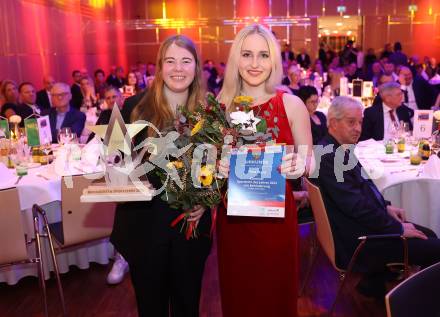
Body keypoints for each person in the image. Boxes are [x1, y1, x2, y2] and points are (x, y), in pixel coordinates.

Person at [110, 35, 211, 317]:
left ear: (196, 67)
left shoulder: (210, 110)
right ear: (160, 66)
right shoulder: (133, 107)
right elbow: (111, 159)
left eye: (185, 61)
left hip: (189, 228)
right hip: (144, 225)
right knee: (150, 307)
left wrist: (206, 199)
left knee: (187, 306)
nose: (178, 68)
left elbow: (218, 167)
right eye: (170, 61)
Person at [216, 24, 314, 317]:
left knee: (275, 296)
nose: (255, 64)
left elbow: (311, 161)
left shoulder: (291, 104)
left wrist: (300, 163)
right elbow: (202, 170)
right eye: (247, 54)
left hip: (276, 221)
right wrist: (215, 167)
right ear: (236, 59)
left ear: (274, 61)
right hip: (234, 222)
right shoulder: (219, 106)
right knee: (238, 296)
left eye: (263, 55)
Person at [313, 96, 440, 299]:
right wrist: (397, 228)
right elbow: (357, 207)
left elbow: (365, 186)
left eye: (360, 121)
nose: (358, 128)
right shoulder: (330, 157)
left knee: (428, 234)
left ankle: (375, 282)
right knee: (434, 245)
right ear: (334, 123)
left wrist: (387, 206)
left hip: (357, 228)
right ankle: (415, 301)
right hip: (359, 239)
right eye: (351, 122)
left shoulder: (336, 148)